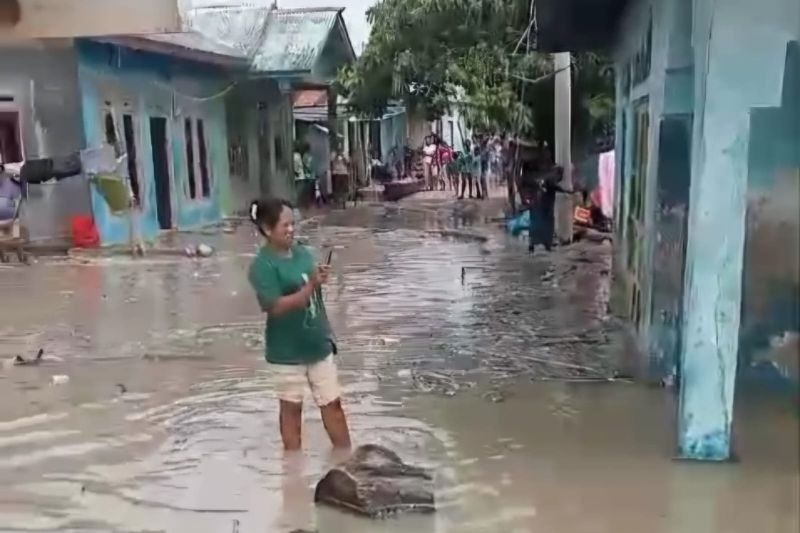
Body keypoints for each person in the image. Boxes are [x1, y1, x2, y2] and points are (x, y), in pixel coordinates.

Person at [248, 198, 351, 451]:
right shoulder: (261, 266)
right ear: (267, 229)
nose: (292, 230)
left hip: (318, 343)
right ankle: (292, 474)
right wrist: (310, 286)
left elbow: (312, 282)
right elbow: (275, 306)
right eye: (285, 226)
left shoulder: (303, 252)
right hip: (286, 352)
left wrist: (319, 278)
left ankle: (346, 459)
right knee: (291, 411)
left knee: (333, 405)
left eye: (293, 224)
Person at [528, 165, 572, 253]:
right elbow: (554, 187)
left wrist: (567, 191)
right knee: (546, 226)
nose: (561, 177)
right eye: (561, 175)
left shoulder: (546, 178)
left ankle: (533, 245)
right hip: (544, 206)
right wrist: (568, 191)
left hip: (539, 206)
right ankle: (546, 246)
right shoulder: (551, 179)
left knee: (537, 225)